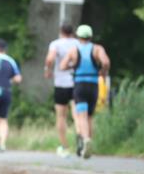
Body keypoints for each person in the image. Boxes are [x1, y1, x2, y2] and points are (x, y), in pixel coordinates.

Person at [60, 24, 111, 159]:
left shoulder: (74, 50)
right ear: (90, 36)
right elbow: (106, 62)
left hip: (80, 85)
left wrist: (74, 66)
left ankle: (85, 140)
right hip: (94, 85)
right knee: (89, 116)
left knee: (81, 116)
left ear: (78, 36)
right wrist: (103, 73)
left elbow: (62, 66)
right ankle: (88, 143)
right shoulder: (97, 49)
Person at [44, 24, 81, 157]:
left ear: (61, 32)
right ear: (72, 33)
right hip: (77, 82)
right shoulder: (78, 43)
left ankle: (64, 146)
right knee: (77, 115)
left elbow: (50, 59)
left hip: (60, 83)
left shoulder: (56, 44)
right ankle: (80, 139)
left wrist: (48, 70)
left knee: (61, 116)